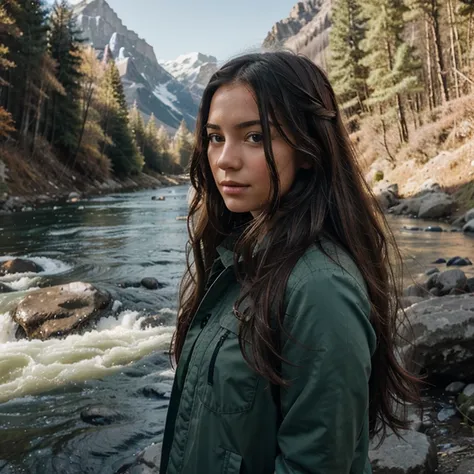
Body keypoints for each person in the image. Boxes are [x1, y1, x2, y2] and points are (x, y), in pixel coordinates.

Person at [159, 50, 420, 474]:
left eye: (255, 136)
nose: (225, 159)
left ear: (307, 148)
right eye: (215, 136)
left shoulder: (319, 289)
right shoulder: (243, 258)